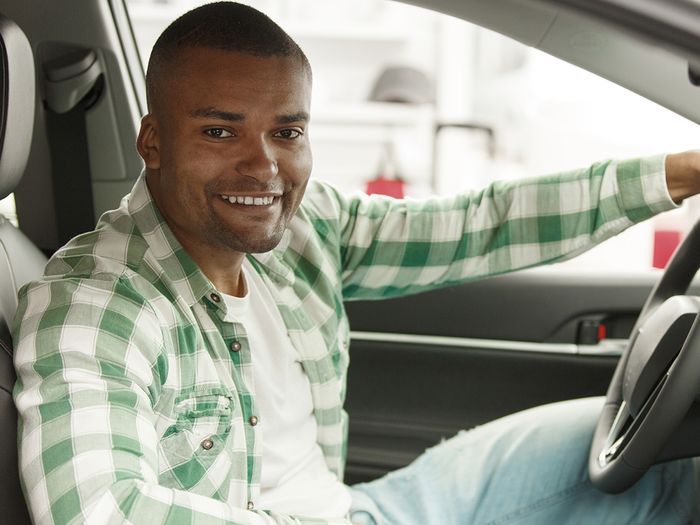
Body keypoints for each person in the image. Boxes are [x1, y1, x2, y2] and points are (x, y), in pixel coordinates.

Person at [11, 2, 700, 524]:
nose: (265, 166)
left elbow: (475, 227)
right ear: (153, 141)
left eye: (288, 132)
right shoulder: (98, 302)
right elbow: (102, 508)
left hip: (362, 507)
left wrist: (679, 173)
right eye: (220, 131)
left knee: (655, 462)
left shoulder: (305, 230)